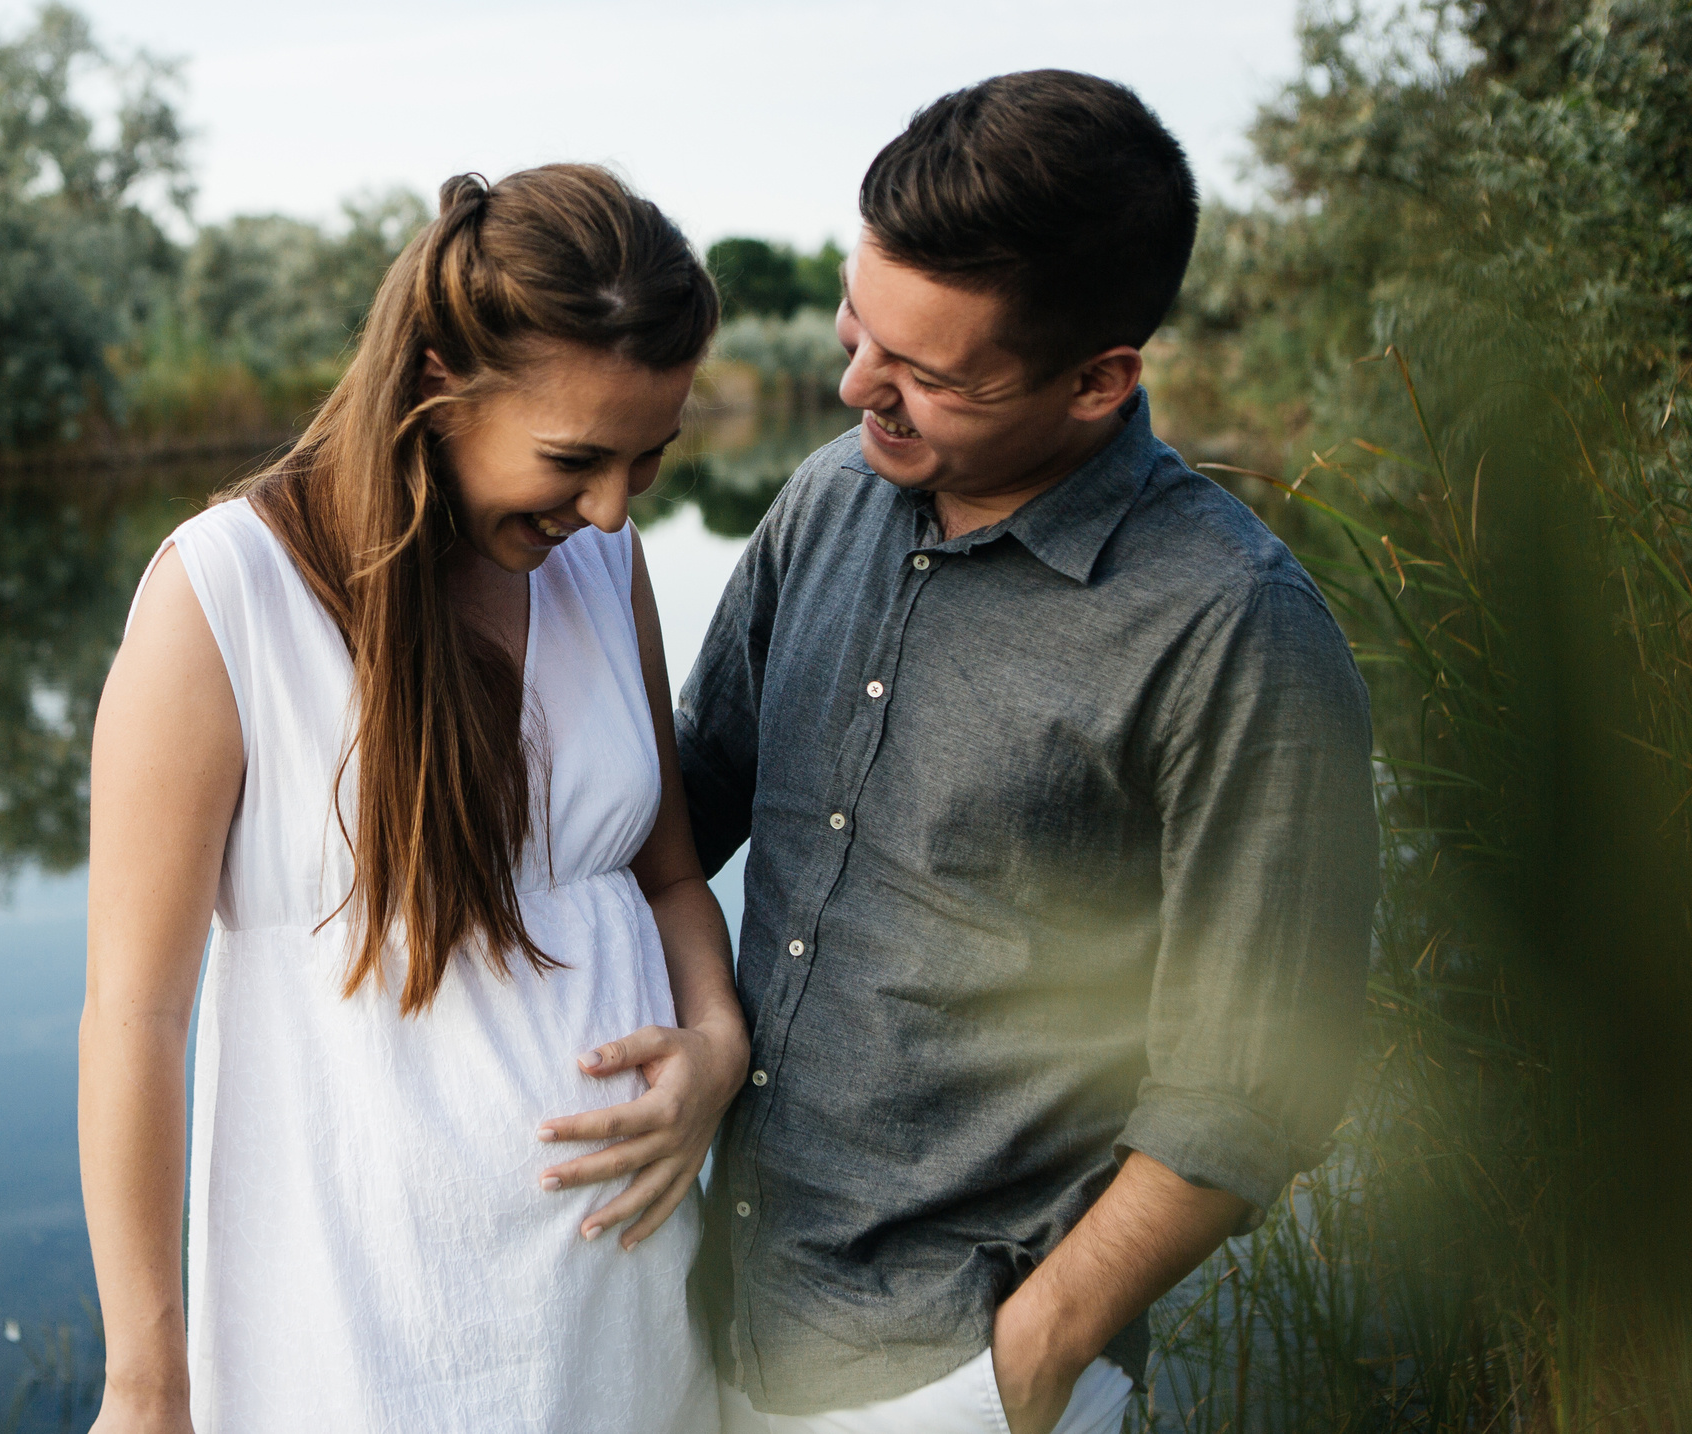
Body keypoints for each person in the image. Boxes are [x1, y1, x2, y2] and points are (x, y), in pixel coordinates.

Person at [677, 72, 1380, 1434]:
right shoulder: (831, 491)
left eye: (925, 373)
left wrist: (1030, 1356)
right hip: (708, 1312)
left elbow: (1255, 1080)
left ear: (1099, 380)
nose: (853, 386)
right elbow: (687, 800)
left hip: (948, 1379)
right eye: (856, 327)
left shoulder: (1234, 629)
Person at [80, 165, 748, 1434]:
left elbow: (668, 875)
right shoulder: (224, 595)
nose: (608, 505)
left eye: (646, 460)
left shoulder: (601, 564)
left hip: (621, 1317)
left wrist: (715, 1044)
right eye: (574, 458)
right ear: (439, 379)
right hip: (361, 1335)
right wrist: (145, 1382)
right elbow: (134, 1014)